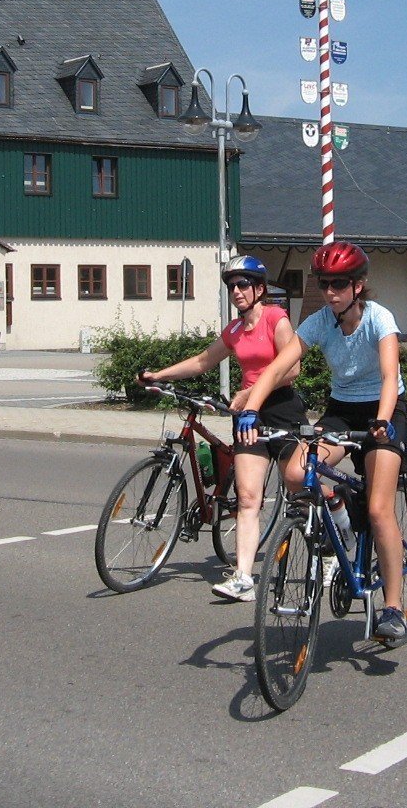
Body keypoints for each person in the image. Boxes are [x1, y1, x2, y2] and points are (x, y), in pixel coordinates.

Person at [241, 241, 407, 643]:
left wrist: (384, 422)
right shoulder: (320, 321)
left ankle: (392, 606)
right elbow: (277, 366)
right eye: (325, 283)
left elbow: (390, 376)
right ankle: (339, 511)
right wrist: (251, 406)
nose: (331, 292)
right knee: (297, 471)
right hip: (341, 408)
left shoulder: (378, 318)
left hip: (384, 410)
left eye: (339, 284)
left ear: (359, 285)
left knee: (378, 509)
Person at [139, 255, 304, 603]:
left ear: (260, 288)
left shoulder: (276, 318)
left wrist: (250, 392)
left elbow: (292, 370)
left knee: (298, 482)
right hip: (247, 418)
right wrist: (160, 374)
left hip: (281, 409)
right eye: (231, 286)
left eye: (243, 284)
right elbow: (203, 361)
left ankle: (334, 531)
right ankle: (243, 577)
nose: (237, 291)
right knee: (247, 497)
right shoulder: (233, 330)